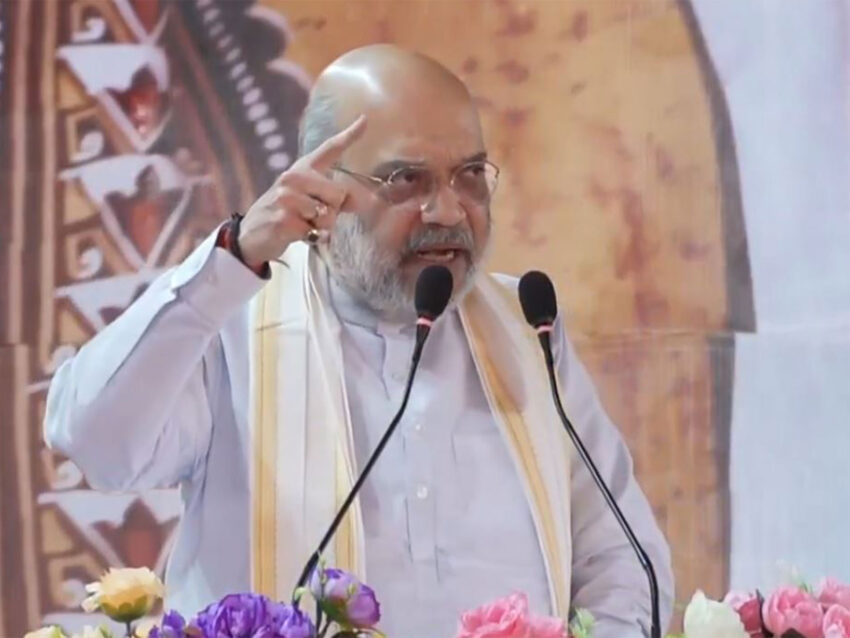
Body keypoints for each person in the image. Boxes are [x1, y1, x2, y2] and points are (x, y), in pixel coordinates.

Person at [44, 45, 674, 638]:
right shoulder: (234, 325)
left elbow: (623, 559)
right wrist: (230, 262)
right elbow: (96, 442)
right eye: (406, 179)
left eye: (470, 175)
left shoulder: (527, 328)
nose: (449, 211)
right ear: (320, 191)